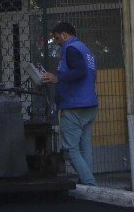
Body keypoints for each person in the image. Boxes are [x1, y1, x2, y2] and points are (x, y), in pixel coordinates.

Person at [41, 22, 98, 186]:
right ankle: (88, 185)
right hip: (90, 105)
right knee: (85, 147)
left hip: (75, 106)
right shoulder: (85, 49)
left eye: (56, 38)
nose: (57, 42)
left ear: (64, 35)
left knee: (70, 149)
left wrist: (57, 78)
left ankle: (89, 184)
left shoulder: (71, 49)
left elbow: (80, 71)